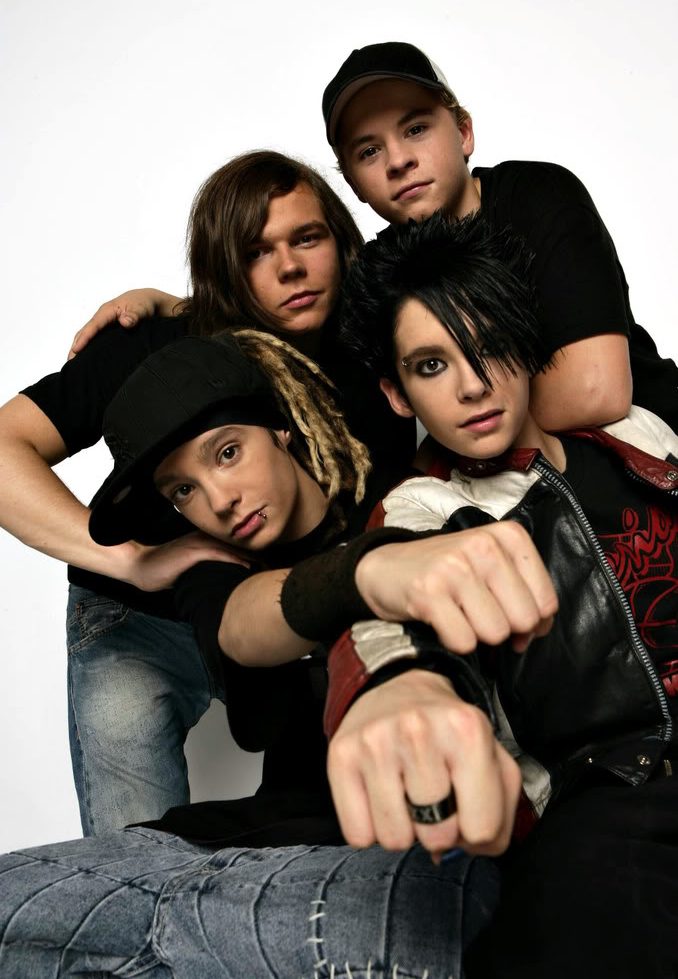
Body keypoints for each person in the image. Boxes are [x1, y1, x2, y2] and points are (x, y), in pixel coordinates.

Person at [0, 327, 538, 978]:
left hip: (394, 860)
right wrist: (354, 578)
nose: (219, 500)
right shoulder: (207, 567)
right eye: (182, 490)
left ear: (280, 428)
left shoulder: (401, 499)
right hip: (240, 849)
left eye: (227, 453)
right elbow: (240, 630)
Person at [0, 150, 413, 835]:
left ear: (340, 240)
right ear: (225, 267)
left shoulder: (375, 354)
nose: (289, 268)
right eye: (256, 253)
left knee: (337, 829)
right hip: (142, 621)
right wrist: (132, 560)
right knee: (133, 857)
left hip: (281, 612)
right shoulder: (152, 349)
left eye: (306, 238)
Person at [322, 211, 678, 977]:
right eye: (431, 365)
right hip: (607, 803)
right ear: (396, 393)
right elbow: (386, 628)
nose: (473, 385)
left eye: (488, 347)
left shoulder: (639, 436)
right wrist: (400, 693)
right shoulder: (422, 512)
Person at [75, 42, 678, 431]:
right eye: (369, 150)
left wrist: (454, 431)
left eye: (416, 129)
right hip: (533, 497)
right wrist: (173, 305)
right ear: (354, 184)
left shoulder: (535, 193)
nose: (398, 160)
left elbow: (594, 393)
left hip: (652, 444)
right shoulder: (380, 270)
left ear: (464, 132)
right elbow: (291, 319)